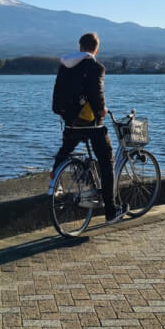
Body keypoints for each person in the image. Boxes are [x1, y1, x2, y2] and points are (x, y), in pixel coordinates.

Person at [51, 32, 126, 224]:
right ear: (96, 48)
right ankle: (111, 211)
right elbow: (96, 93)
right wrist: (101, 110)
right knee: (107, 161)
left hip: (69, 120)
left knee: (65, 150)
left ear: (80, 46)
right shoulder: (95, 67)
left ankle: (55, 183)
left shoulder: (65, 65)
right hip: (89, 123)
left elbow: (58, 91)